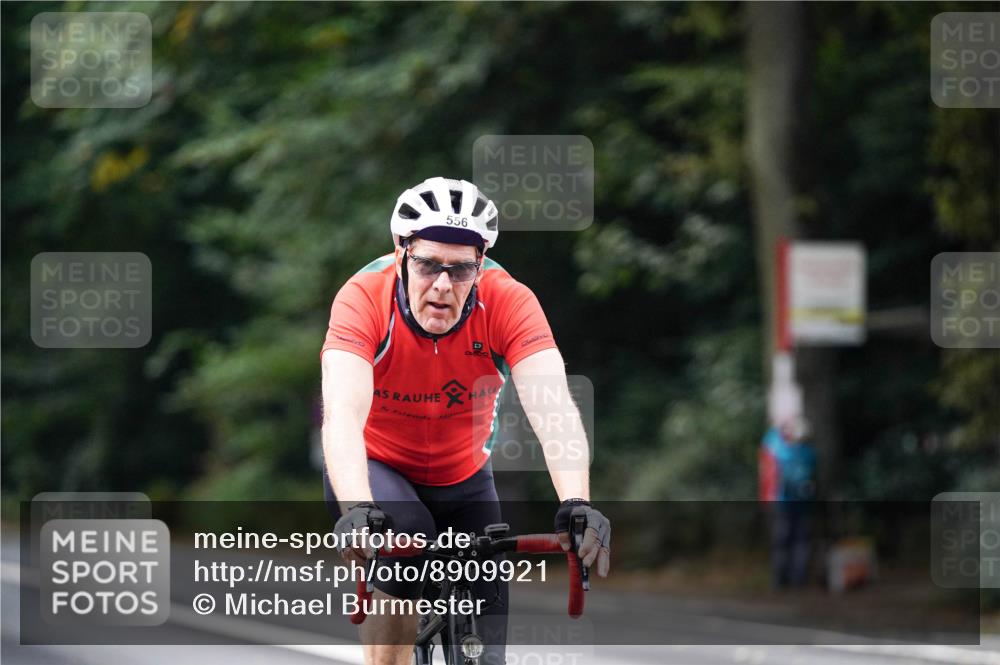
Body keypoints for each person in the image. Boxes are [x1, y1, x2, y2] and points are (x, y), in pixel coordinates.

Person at [320, 177, 611, 665]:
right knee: (405, 558)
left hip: (465, 477)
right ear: (400, 255)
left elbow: (554, 408)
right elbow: (343, 416)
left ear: (480, 268)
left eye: (459, 271)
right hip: (377, 468)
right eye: (428, 264)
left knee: (487, 654)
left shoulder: (509, 301)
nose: (441, 285)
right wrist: (356, 510)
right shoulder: (362, 298)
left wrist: (577, 502)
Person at [759, 415, 816, 589]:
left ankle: (780, 580)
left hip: (783, 502)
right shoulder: (809, 454)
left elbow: (769, 443)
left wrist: (780, 426)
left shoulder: (783, 453)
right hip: (804, 503)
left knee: (782, 541)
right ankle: (799, 580)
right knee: (801, 541)